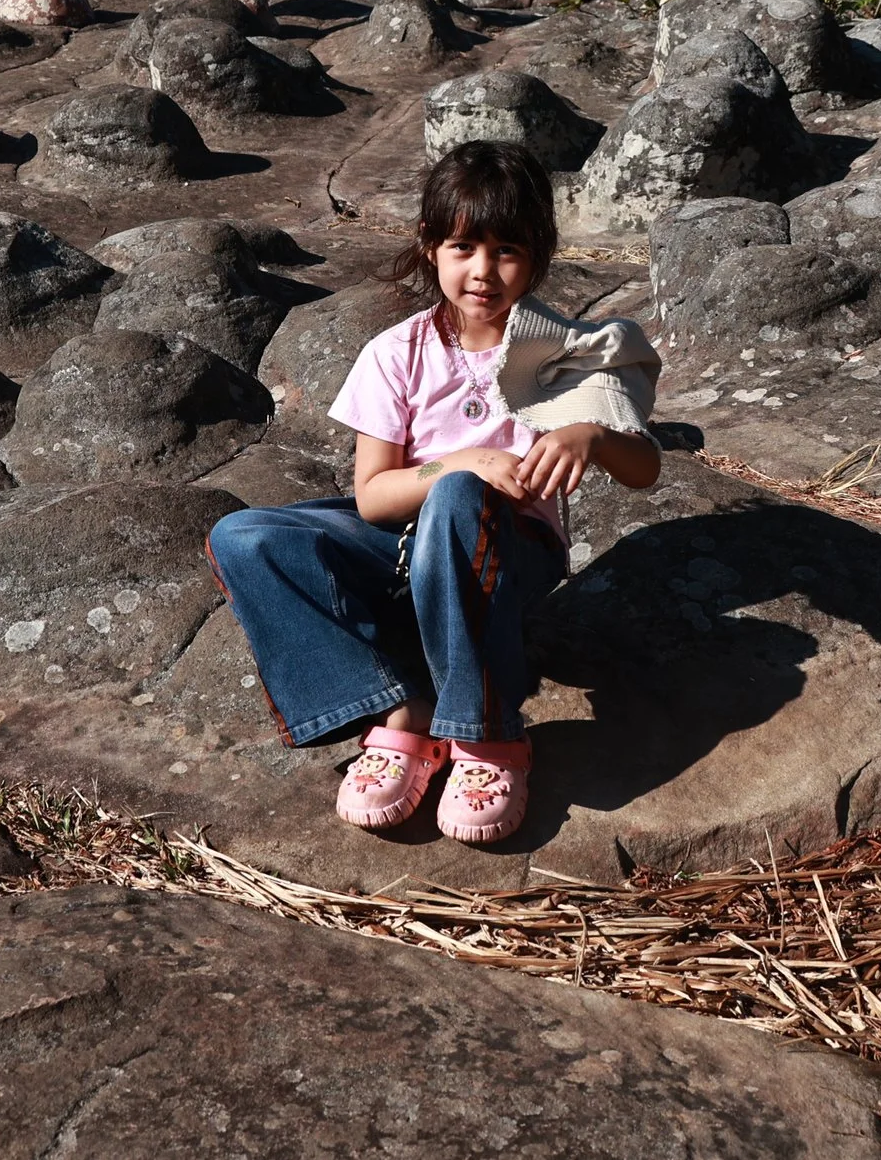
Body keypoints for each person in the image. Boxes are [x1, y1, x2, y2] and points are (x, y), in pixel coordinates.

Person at [206, 140, 662, 844]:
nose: (483, 270)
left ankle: (487, 734)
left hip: (508, 549)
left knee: (456, 501)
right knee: (244, 536)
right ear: (430, 246)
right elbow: (372, 498)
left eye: (507, 251)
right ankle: (400, 710)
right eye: (463, 247)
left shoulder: (565, 350)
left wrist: (591, 435)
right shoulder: (397, 352)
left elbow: (644, 468)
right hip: (398, 540)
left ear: (538, 254)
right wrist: (459, 461)